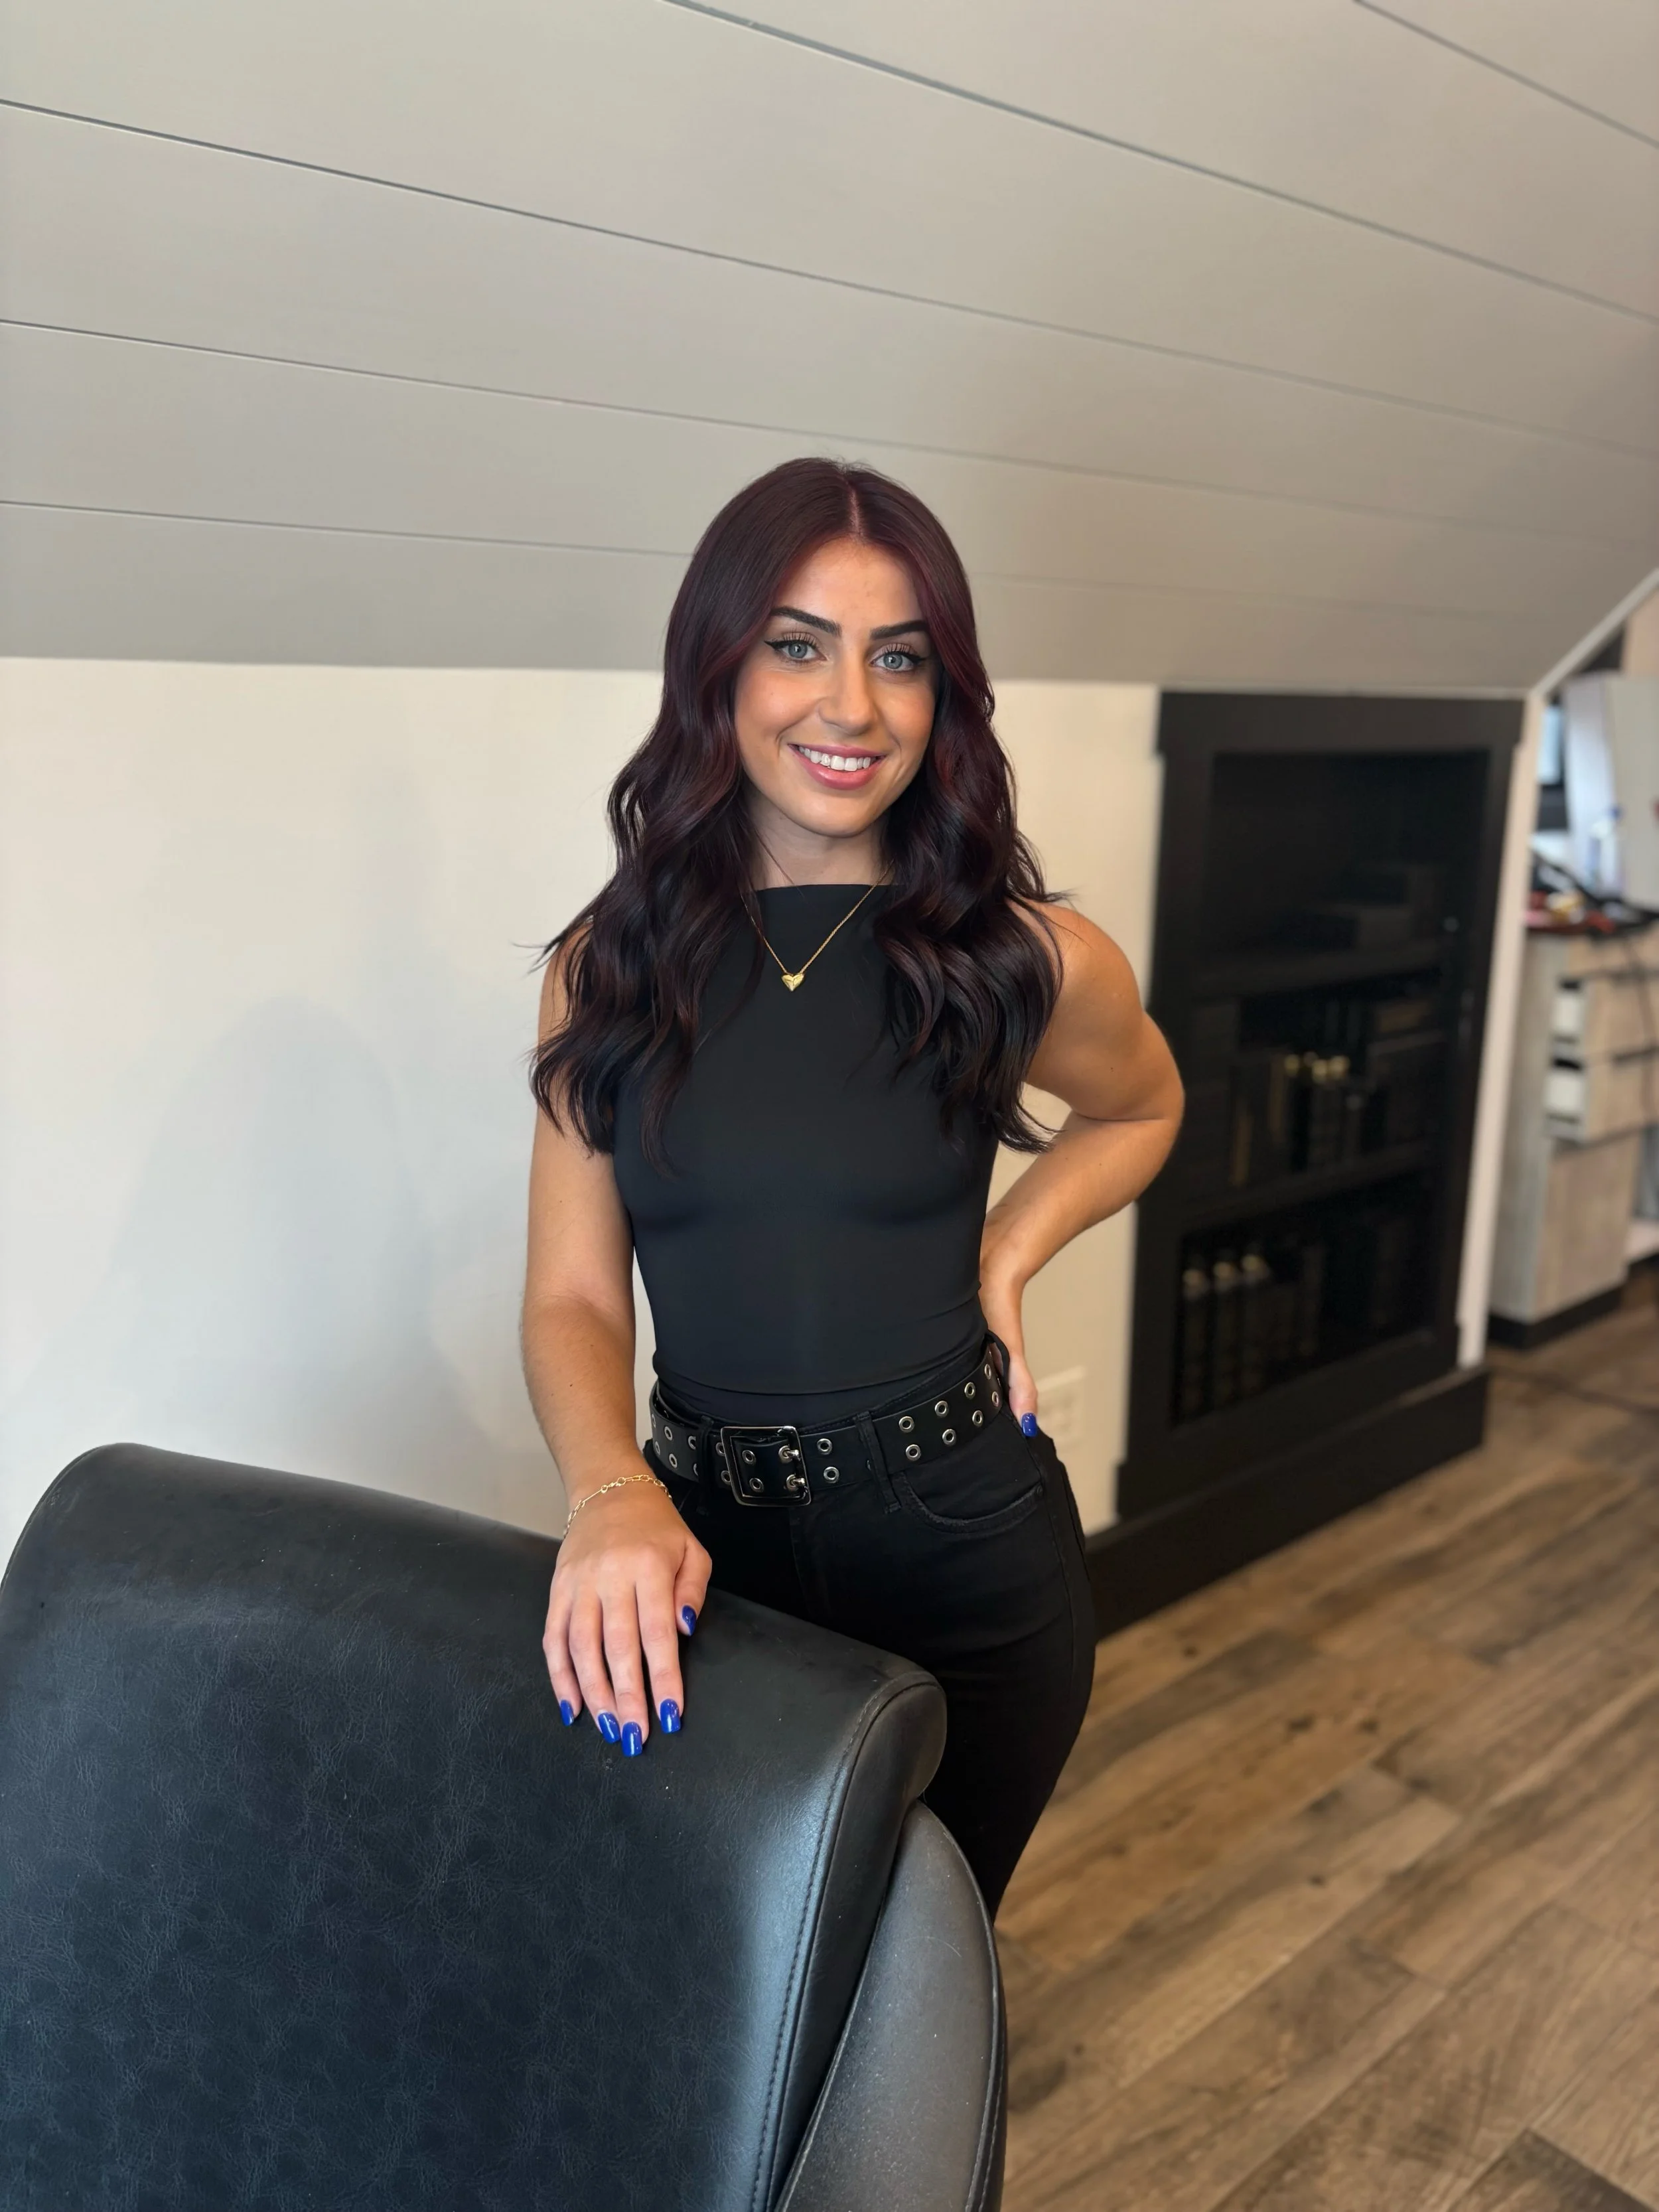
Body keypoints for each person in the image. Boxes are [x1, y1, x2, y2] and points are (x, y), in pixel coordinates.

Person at [522, 457, 1182, 1912]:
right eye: (797, 645)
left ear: (944, 693)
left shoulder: (1021, 957)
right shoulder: (610, 967)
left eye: (900, 658)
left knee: (912, 1969)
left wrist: (1008, 1248)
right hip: (705, 1553)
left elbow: (1143, 1106)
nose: (853, 707)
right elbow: (572, 1295)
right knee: (731, 1961)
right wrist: (608, 1491)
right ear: (716, 665)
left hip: (965, 1549)